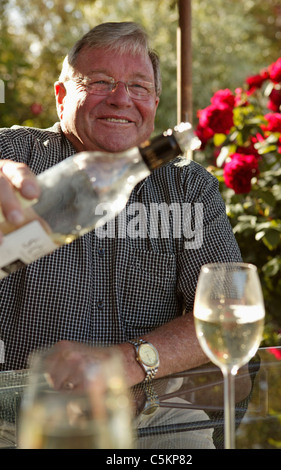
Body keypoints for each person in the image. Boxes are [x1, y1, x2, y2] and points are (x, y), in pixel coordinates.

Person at [0, 22, 244, 447]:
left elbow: (226, 308)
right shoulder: (11, 155)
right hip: (15, 418)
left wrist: (127, 366)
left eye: (138, 86)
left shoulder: (188, 186)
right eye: (100, 82)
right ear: (61, 97)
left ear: (154, 103)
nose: (121, 98)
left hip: (152, 415)